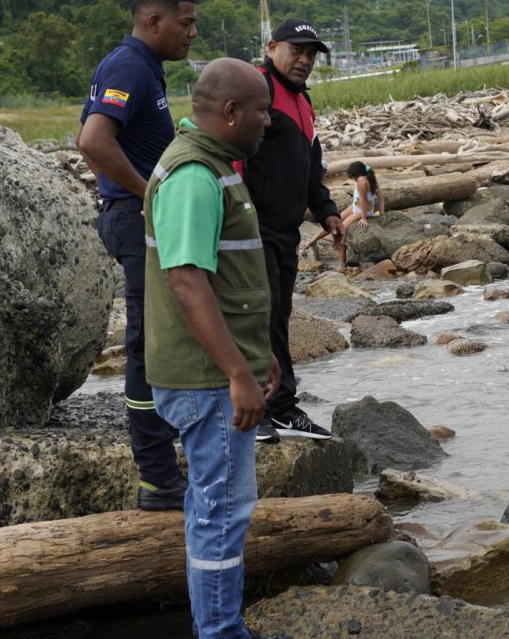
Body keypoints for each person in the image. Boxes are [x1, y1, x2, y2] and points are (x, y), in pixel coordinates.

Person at [142, 57, 289, 639]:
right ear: (230, 112)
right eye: (260, 111)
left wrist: (259, 354)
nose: (267, 122)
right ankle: (221, 631)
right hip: (204, 379)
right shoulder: (194, 177)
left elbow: (226, 278)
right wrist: (237, 373)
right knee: (220, 514)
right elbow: (187, 281)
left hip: (214, 370)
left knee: (216, 509)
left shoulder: (211, 165)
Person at [77, 0, 197, 511]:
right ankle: (156, 477)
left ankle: (164, 459)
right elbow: (92, 141)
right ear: (154, 22)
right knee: (147, 347)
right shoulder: (129, 67)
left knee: (164, 338)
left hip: (132, 215)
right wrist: (144, 193)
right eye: (186, 23)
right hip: (135, 219)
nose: (193, 33)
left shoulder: (141, 68)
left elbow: (93, 139)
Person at [240, 18, 344, 443]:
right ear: (272, 46)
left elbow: (309, 169)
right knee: (255, 317)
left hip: (285, 231)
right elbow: (232, 155)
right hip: (251, 227)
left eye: (311, 53)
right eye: (296, 50)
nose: (304, 60)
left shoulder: (302, 102)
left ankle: (280, 405)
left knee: (278, 315)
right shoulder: (255, 89)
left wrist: (327, 211)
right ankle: (259, 407)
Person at [304, 161, 384, 271]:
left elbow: (364, 201)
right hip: (356, 206)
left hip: (361, 210)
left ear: (358, 175)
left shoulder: (361, 181)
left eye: (353, 177)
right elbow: (381, 197)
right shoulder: (370, 176)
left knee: (341, 230)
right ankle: (314, 239)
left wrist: (363, 217)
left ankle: (342, 264)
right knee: (334, 220)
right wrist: (382, 214)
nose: (353, 179)